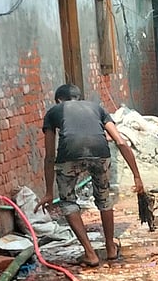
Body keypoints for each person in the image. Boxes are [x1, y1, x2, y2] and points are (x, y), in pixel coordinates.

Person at [40, 84, 145, 267]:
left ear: (59, 100)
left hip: (68, 154)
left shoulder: (54, 111)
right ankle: (111, 248)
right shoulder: (97, 108)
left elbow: (49, 156)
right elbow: (120, 141)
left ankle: (90, 253)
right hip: (100, 153)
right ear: (79, 97)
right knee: (104, 199)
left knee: (68, 202)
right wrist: (137, 176)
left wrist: (49, 191)